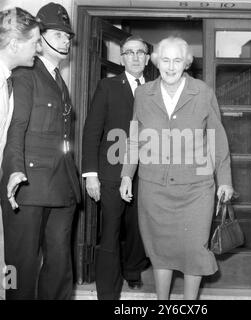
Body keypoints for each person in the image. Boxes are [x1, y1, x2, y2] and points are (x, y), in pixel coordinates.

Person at [120, 36, 234, 300]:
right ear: (157, 62)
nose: (171, 67)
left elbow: (218, 138)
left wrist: (225, 180)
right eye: (166, 60)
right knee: (160, 251)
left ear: (186, 64)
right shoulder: (143, 93)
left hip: (196, 189)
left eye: (177, 60)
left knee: (194, 250)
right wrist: (127, 174)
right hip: (154, 188)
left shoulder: (202, 92)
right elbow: (135, 137)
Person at [0, 2, 81, 300]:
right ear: (40, 39)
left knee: (60, 268)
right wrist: (14, 171)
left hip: (61, 187)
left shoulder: (59, 80)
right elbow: (14, 131)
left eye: (68, 37)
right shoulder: (23, 75)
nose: (66, 41)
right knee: (20, 268)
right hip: (28, 188)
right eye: (59, 35)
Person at [82, 36, 150, 300]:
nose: (134, 57)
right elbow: (91, 132)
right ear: (122, 58)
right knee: (110, 231)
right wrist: (91, 175)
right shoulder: (108, 86)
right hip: (111, 173)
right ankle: (107, 294)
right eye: (129, 52)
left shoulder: (155, 89)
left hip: (145, 174)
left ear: (146, 58)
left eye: (140, 52)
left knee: (138, 229)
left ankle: (132, 272)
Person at [0, 7, 40, 299]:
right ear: (14, 43)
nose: (39, 47)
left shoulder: (9, 79)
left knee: (8, 267)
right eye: (35, 41)